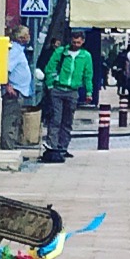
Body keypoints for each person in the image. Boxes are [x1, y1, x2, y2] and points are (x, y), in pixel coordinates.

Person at [40, 29, 94, 161]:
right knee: (56, 119)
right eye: (74, 42)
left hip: (72, 91)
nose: (76, 45)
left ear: (83, 42)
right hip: (58, 89)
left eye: (78, 42)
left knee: (67, 121)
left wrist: (89, 92)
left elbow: (88, 75)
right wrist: (50, 85)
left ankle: (63, 148)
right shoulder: (61, 52)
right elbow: (49, 68)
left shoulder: (85, 56)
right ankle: (52, 147)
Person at [3, 23, 36, 152]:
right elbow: (6, 69)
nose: (29, 37)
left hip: (20, 90)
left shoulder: (19, 50)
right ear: (21, 37)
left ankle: (12, 144)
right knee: (10, 119)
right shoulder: (15, 51)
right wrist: (7, 85)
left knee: (16, 119)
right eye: (27, 35)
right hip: (14, 91)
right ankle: (8, 145)